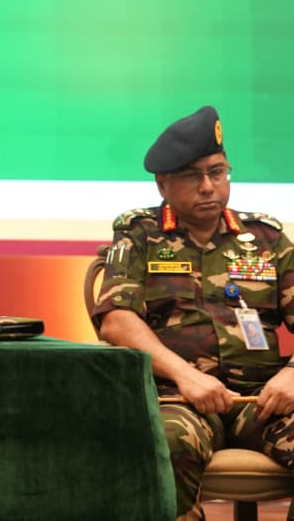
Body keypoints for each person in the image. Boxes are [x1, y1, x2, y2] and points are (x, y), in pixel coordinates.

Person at [91, 105, 294, 521]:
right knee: (167, 441)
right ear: (163, 184)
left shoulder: (266, 237)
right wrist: (186, 375)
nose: (208, 187)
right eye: (191, 176)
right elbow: (116, 320)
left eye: (217, 172)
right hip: (179, 398)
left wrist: (293, 374)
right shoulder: (139, 234)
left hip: (261, 399)